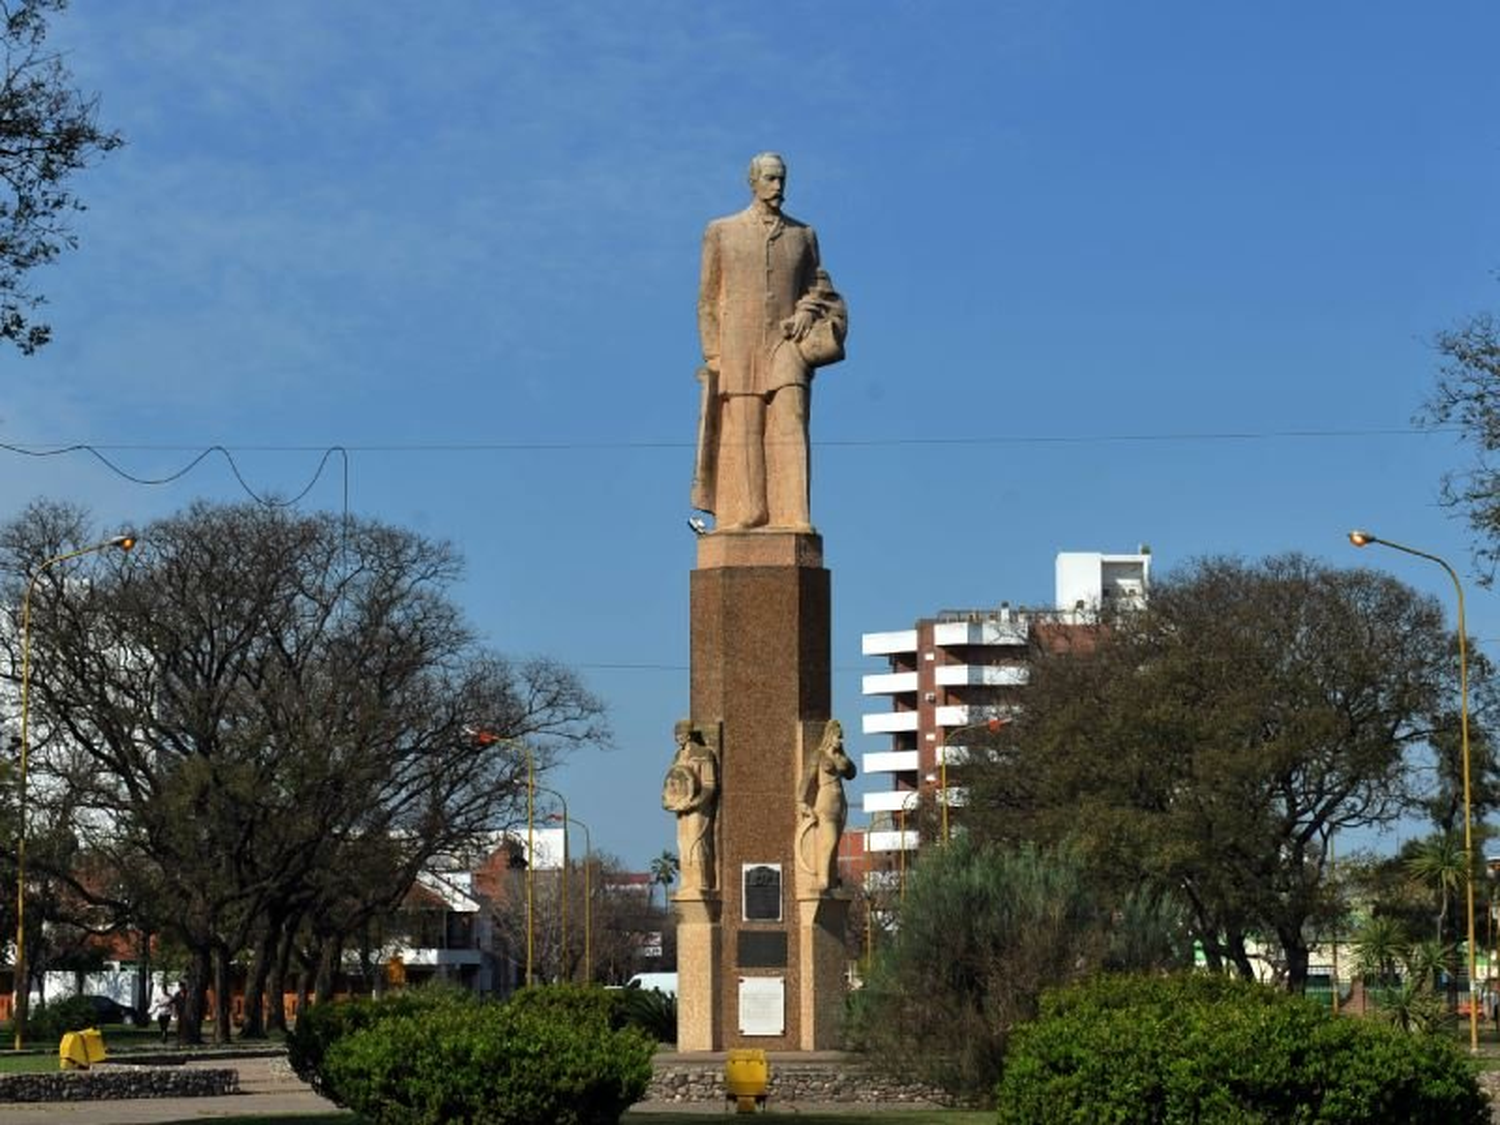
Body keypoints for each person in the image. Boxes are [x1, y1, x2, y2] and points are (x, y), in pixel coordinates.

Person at [694, 152, 847, 532]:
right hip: (737, 347)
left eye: (782, 179)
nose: (778, 187)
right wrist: (713, 351)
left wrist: (806, 313)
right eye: (770, 179)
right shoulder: (722, 231)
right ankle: (753, 509)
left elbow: (820, 288)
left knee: (792, 424)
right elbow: (708, 299)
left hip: (785, 346)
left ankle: (795, 512)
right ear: (753, 181)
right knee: (746, 430)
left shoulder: (803, 235)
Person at [661, 720, 719, 894]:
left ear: (689, 734)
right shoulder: (677, 757)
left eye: (681, 733)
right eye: (676, 734)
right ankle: (686, 883)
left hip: (699, 809)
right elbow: (673, 784)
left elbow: (710, 785)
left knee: (697, 842)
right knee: (683, 844)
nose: (678, 737)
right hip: (681, 810)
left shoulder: (704, 754)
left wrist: (694, 803)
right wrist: (669, 802)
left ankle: (701, 882)